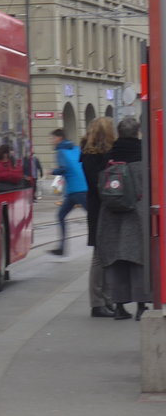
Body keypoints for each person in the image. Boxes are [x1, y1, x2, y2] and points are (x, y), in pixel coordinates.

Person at [96, 116, 152, 320]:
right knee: (139, 260)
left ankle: (119, 307)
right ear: (137, 132)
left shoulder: (109, 156)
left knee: (115, 261)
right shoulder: (144, 154)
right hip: (137, 215)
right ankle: (141, 305)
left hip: (111, 217)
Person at [79, 117, 117, 317]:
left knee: (106, 254)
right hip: (101, 207)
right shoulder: (94, 156)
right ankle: (97, 302)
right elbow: (98, 184)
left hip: (101, 206)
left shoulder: (91, 154)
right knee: (100, 256)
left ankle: (106, 298)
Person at [49, 128, 86, 256]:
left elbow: (64, 168)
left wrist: (53, 171)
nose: (51, 141)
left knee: (61, 216)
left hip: (77, 190)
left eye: (52, 138)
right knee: (61, 215)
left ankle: (62, 248)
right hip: (79, 189)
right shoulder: (76, 148)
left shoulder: (60, 151)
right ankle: (61, 248)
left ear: (59, 138)